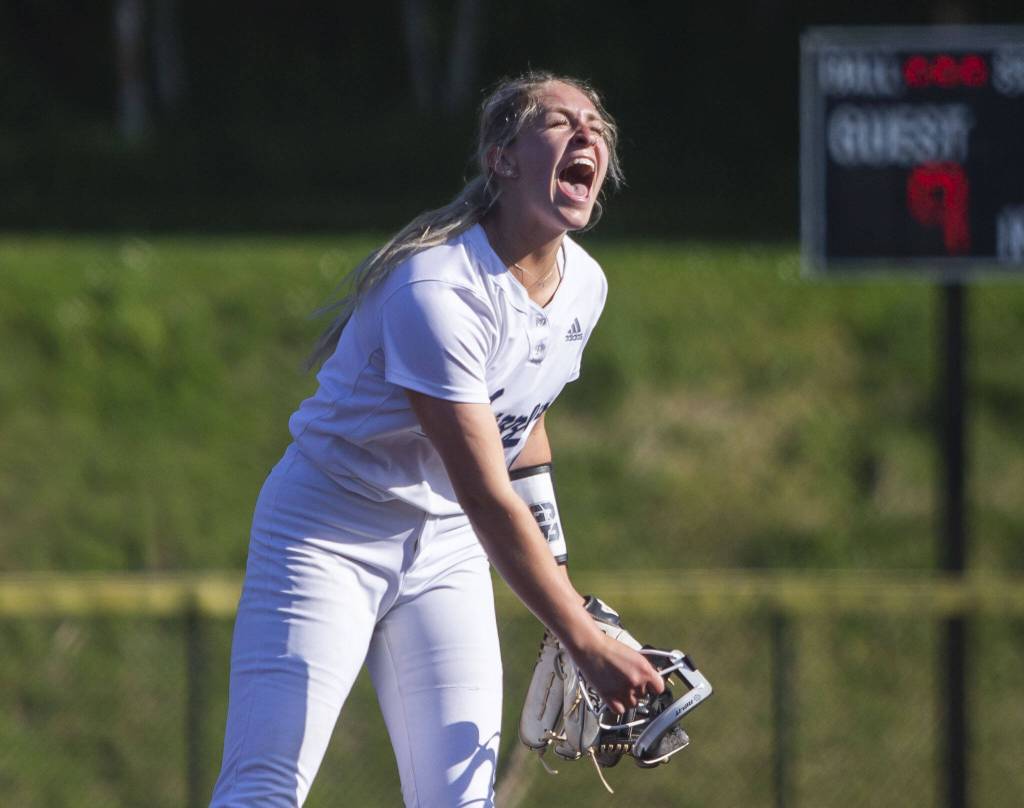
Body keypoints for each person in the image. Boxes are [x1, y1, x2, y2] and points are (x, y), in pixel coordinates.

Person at [209, 70, 664, 808]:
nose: (586, 132)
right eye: (557, 121)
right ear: (502, 158)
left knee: (461, 800)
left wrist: (563, 578)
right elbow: (486, 490)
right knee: (264, 788)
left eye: (596, 125)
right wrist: (580, 634)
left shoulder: (587, 285)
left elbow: (524, 416)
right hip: (329, 530)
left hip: (445, 545)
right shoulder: (438, 288)